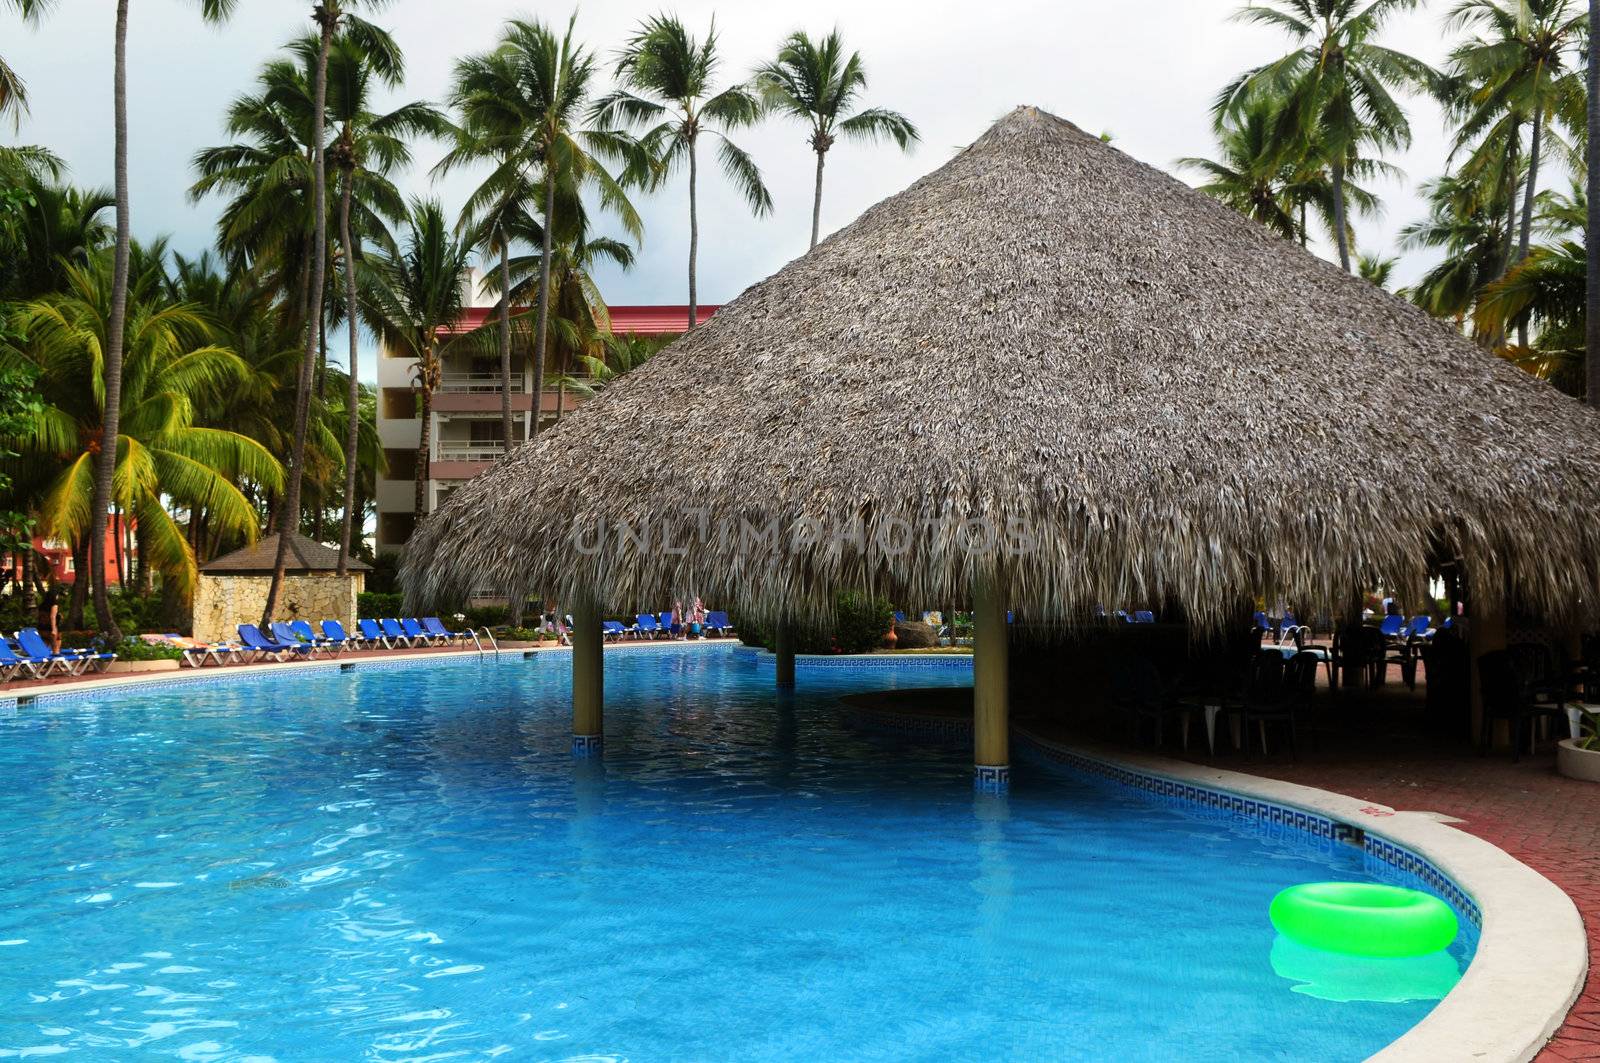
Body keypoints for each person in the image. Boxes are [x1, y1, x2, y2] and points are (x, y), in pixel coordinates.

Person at [37, 585, 60, 654]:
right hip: (50, 628)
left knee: (44, 648)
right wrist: (53, 629)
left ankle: (45, 663)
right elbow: (52, 617)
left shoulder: (42, 606)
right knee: (55, 648)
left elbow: (39, 616)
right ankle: (56, 664)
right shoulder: (54, 604)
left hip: (41, 629)